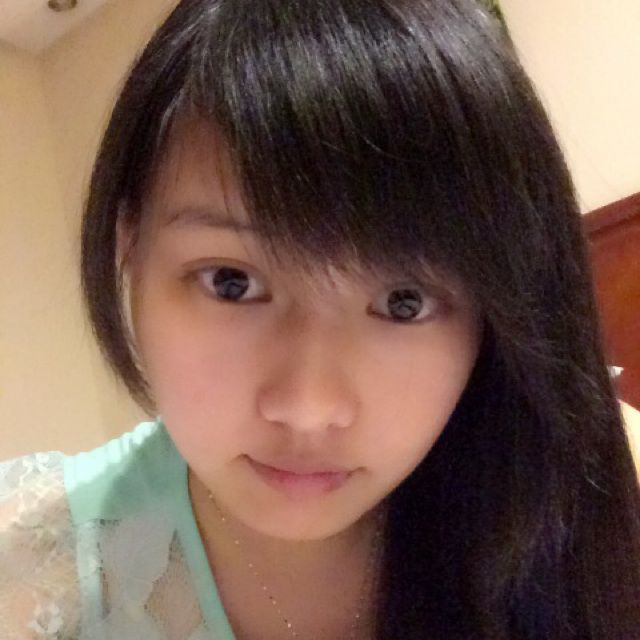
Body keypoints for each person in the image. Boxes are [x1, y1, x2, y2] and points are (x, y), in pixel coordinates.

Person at [1, 0, 639, 638]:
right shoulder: (22, 567)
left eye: (404, 302)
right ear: (130, 247)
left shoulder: (580, 506)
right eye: (232, 283)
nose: (308, 408)